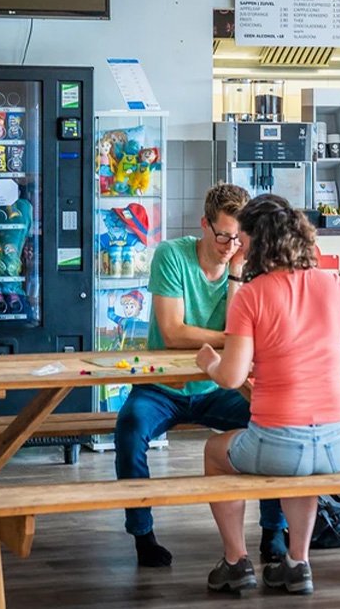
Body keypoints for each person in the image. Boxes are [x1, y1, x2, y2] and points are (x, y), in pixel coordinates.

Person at [197, 194, 340, 595]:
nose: (239, 248)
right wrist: (320, 373)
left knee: (215, 452)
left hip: (278, 445)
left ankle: (236, 561)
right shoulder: (337, 285)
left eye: (243, 239)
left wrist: (209, 362)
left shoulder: (250, 295)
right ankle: (298, 564)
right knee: (305, 469)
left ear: (258, 242)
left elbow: (231, 377)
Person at [114, 184, 288, 568]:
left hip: (220, 384)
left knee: (275, 425)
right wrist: (233, 339)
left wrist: (236, 274)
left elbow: (245, 329)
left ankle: (275, 530)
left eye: (238, 237)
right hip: (164, 386)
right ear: (204, 225)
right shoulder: (172, 256)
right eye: (223, 235)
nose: (230, 246)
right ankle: (142, 534)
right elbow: (173, 331)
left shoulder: (247, 262)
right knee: (129, 429)